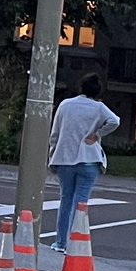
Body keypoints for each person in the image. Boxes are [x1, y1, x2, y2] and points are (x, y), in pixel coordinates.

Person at [47, 73, 120, 253]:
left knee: (65, 199)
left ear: (80, 88)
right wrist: (97, 135)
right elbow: (115, 121)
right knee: (80, 202)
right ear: (97, 92)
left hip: (65, 158)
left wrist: (52, 156)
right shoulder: (99, 108)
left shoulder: (65, 105)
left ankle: (61, 241)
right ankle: (74, 243)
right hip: (88, 159)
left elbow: (55, 134)